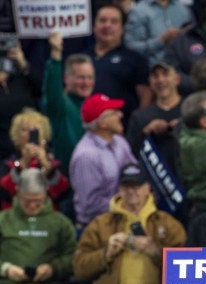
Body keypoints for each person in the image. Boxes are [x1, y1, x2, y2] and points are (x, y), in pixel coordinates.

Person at [73, 163, 186, 284]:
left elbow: (187, 271)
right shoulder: (101, 224)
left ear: (148, 189)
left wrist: (156, 252)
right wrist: (106, 254)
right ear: (119, 189)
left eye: (136, 186)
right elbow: (79, 268)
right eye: (126, 186)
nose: (131, 191)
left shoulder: (167, 223)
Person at [0, 168, 76, 284]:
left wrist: (53, 268)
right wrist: (6, 269)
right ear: (17, 191)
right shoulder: (3, 220)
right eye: (27, 201)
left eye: (38, 201)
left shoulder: (61, 223)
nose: (33, 206)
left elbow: (72, 257)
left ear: (46, 193)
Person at [70, 93, 137, 227]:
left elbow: (135, 172)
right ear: (102, 123)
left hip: (124, 220)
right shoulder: (86, 156)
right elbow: (90, 205)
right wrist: (127, 204)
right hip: (97, 228)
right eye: (114, 113)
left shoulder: (119, 141)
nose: (120, 115)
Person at [87, 5, 151, 125]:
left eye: (114, 21)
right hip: (85, 127)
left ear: (122, 28)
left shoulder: (135, 59)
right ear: (94, 26)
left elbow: (146, 97)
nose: (107, 25)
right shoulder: (82, 58)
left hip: (122, 129)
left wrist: (137, 126)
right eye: (102, 20)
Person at [42, 32, 95, 173]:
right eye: (80, 77)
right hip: (67, 180)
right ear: (66, 78)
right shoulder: (61, 106)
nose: (86, 82)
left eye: (90, 77)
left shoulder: (98, 108)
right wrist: (56, 55)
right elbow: (52, 90)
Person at [0, 108, 70, 210]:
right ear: (16, 135)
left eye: (35, 130)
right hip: (14, 218)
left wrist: (46, 165)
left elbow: (62, 194)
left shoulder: (54, 164)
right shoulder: (8, 165)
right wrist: (22, 164)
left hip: (47, 218)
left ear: (44, 133)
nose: (30, 134)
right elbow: (5, 193)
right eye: (24, 129)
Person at [125, 61, 182, 172]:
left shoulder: (190, 109)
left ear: (177, 79)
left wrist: (184, 127)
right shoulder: (140, 116)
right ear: (150, 82)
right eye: (155, 76)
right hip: (155, 182)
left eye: (165, 74)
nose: (160, 80)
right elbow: (131, 154)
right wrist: (146, 132)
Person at [0, 40, 41, 160]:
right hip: (4, 155)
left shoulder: (21, 76)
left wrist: (23, 64)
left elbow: (42, 90)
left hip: (33, 149)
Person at [123, 0, 193, 64]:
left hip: (182, 69)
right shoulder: (138, 11)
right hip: (152, 70)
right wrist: (161, 40)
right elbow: (131, 48)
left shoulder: (183, 9)